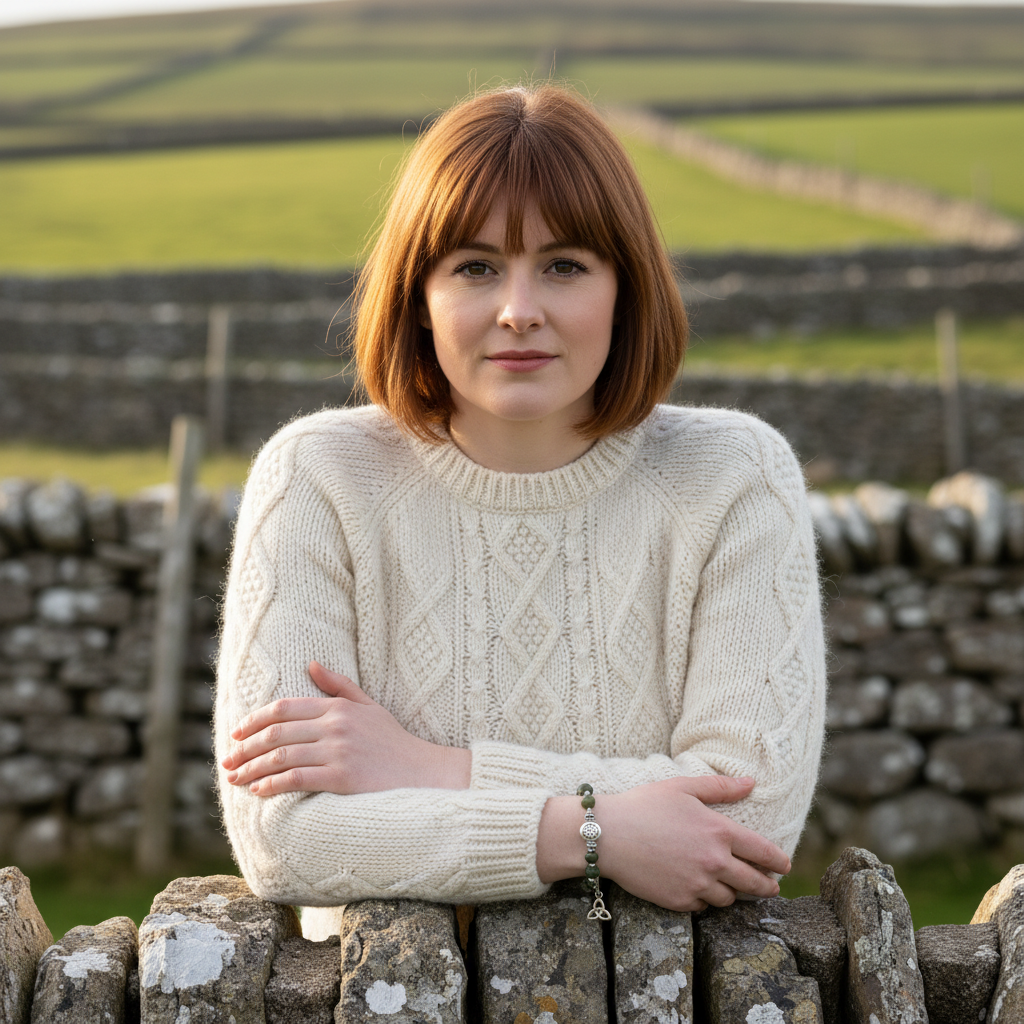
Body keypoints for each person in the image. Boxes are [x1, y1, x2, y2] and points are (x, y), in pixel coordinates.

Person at [215, 84, 826, 939]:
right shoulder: (319, 478)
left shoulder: (734, 475)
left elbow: (747, 823)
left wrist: (427, 767)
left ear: (626, 286)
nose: (519, 310)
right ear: (417, 294)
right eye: (475, 266)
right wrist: (592, 832)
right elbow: (284, 839)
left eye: (565, 265)